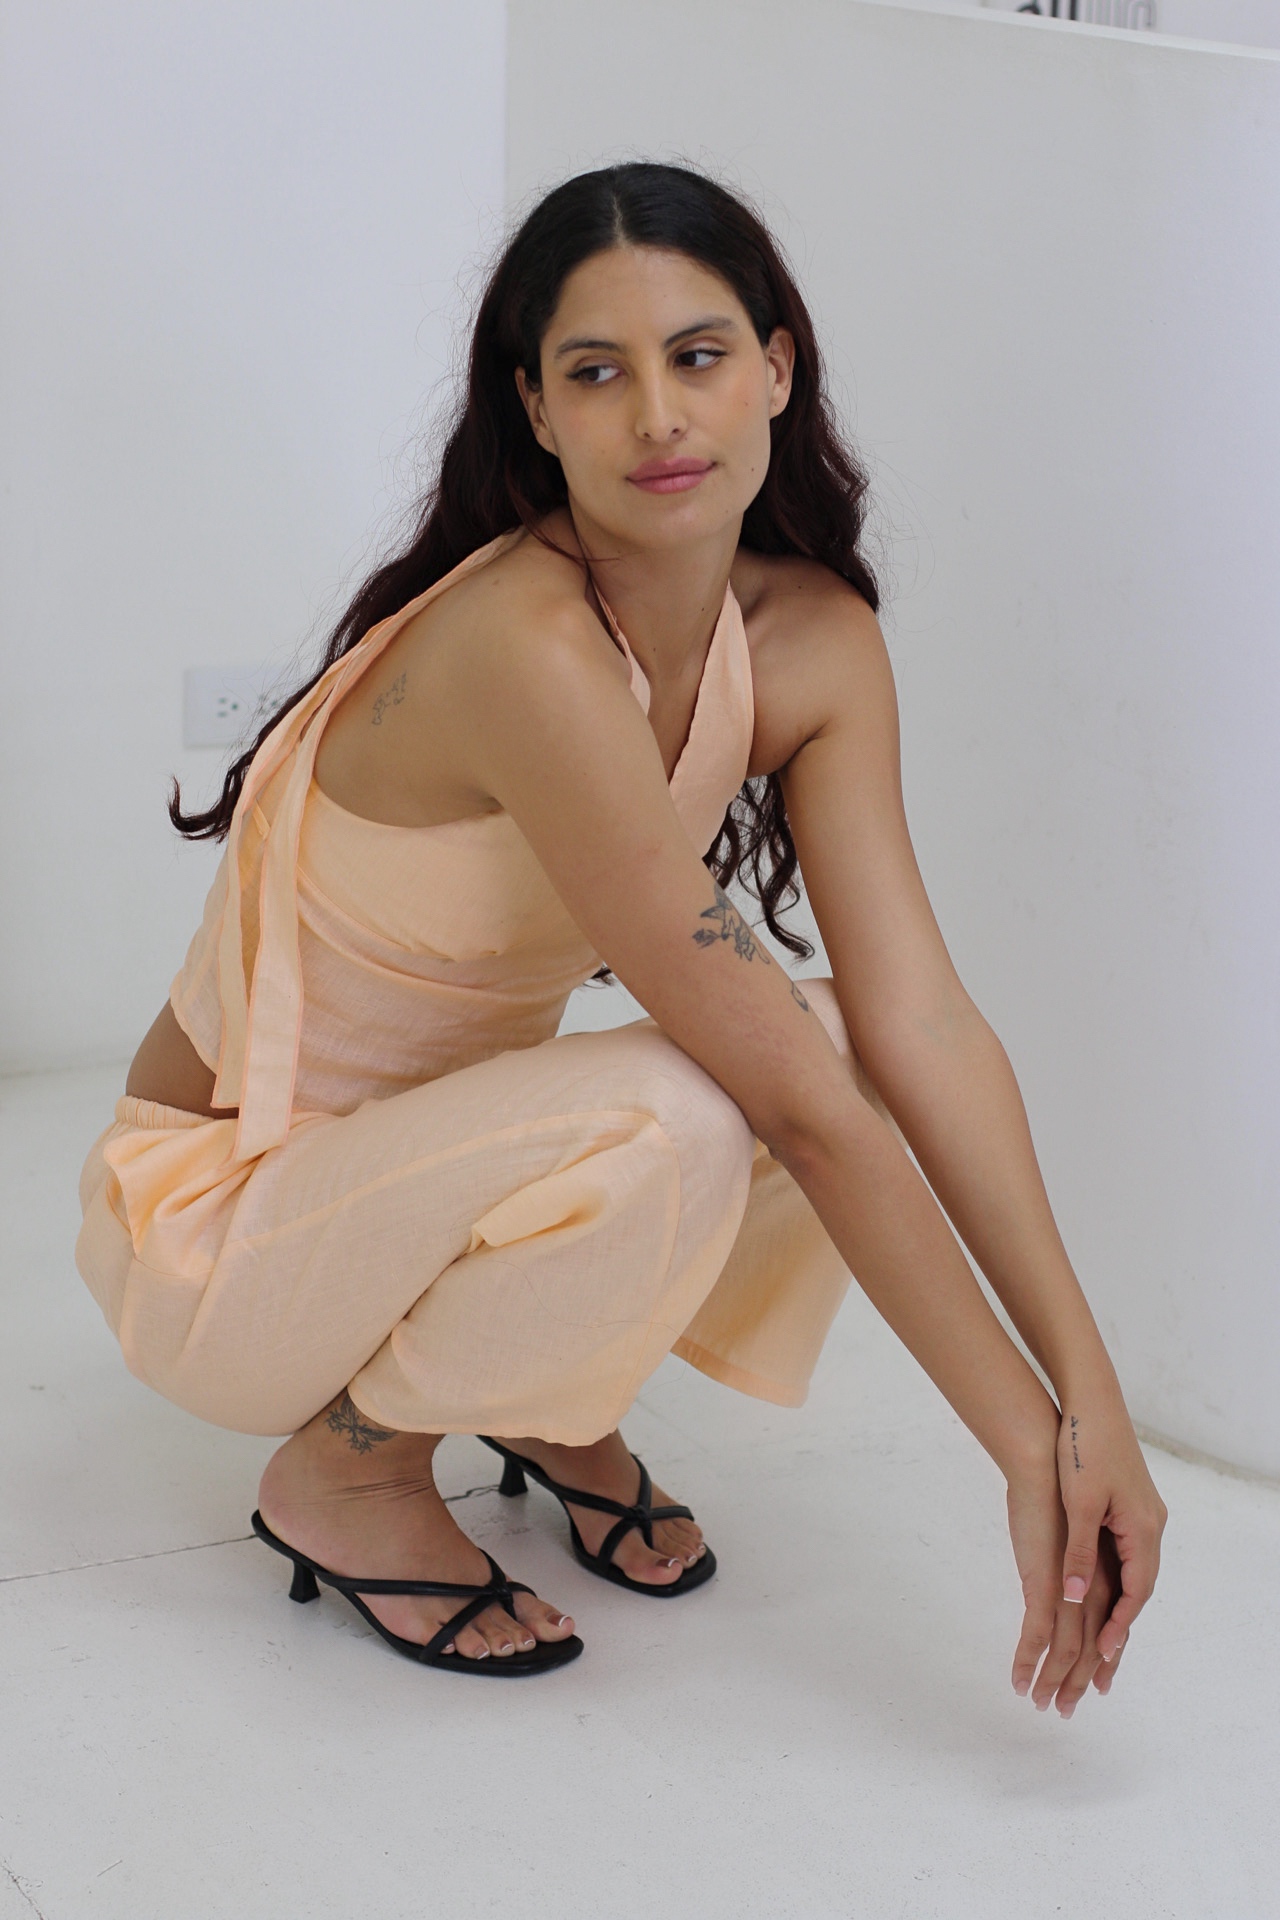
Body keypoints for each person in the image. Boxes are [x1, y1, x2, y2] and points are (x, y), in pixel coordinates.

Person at [76, 161, 1165, 1697]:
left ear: (776, 368)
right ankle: (350, 1469)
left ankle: (539, 1390)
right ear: (535, 409)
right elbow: (795, 1109)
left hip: (430, 1189)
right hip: (225, 1242)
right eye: (597, 373)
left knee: (847, 1038)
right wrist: (1026, 1451)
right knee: (698, 1106)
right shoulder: (523, 646)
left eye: (698, 356)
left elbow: (921, 1024)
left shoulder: (812, 642)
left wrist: (1092, 1402)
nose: (658, 415)